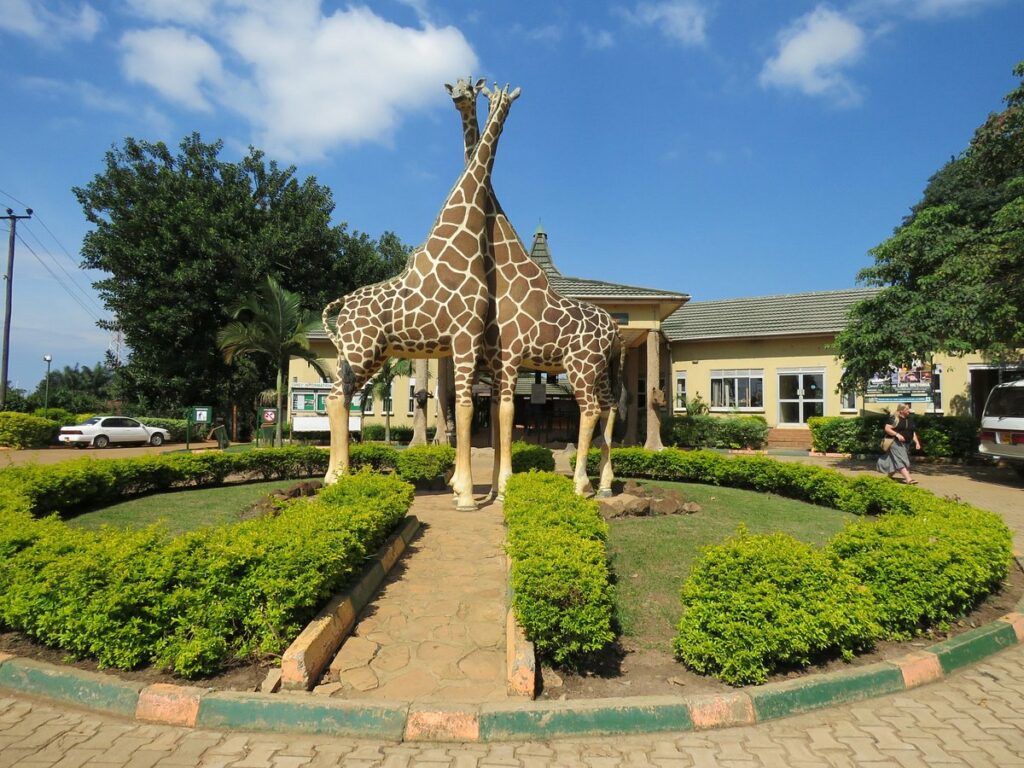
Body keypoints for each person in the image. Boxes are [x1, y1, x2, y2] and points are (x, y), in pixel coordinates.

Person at [877, 402, 922, 484]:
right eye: (907, 409)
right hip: (895, 442)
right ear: (901, 411)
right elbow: (887, 429)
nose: (909, 411)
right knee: (902, 460)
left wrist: (917, 442)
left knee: (894, 460)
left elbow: (913, 432)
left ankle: (888, 477)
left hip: (906, 443)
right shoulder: (894, 418)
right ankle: (909, 479)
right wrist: (897, 435)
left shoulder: (909, 419)